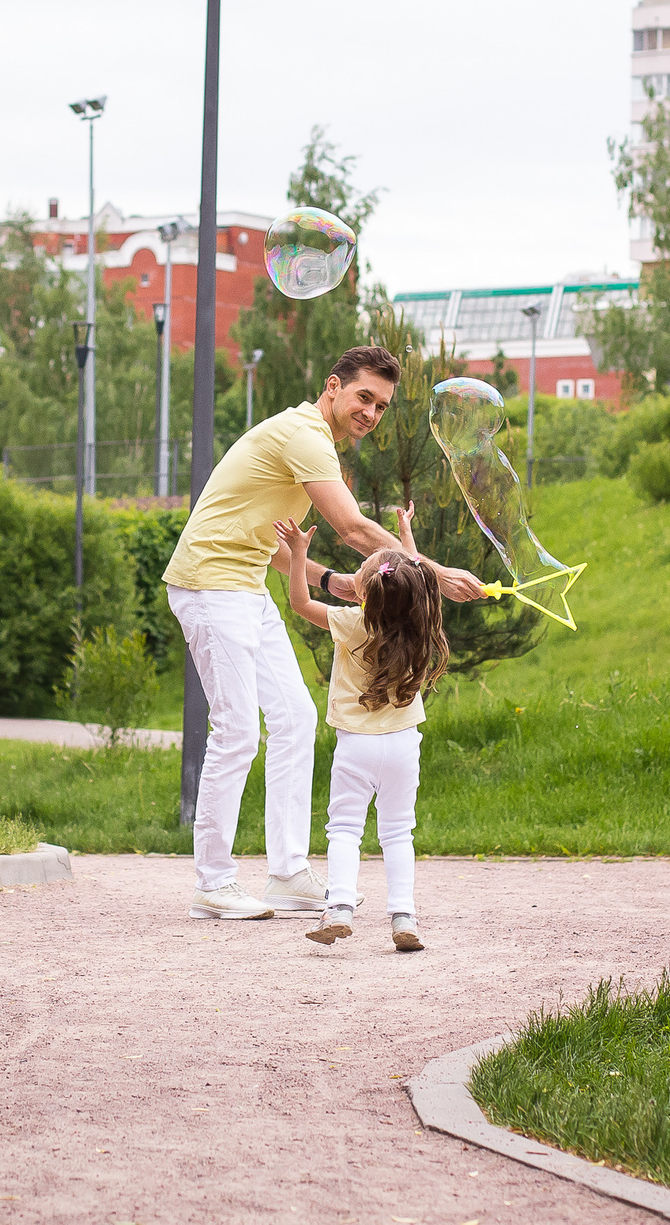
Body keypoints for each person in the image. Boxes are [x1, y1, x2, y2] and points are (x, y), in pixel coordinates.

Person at [160, 344, 481, 920]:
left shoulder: (310, 439)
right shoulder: (304, 434)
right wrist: (432, 572)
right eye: (364, 398)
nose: (371, 414)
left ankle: (286, 874)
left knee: (295, 718)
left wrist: (328, 579)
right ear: (333, 387)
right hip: (210, 585)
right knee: (237, 731)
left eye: (381, 406)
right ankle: (213, 884)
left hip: (245, 582)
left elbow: (269, 539)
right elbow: (352, 526)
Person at [273, 513, 447, 951]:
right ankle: (404, 915)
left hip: (356, 746)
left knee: (346, 829)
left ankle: (340, 907)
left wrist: (299, 556)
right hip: (404, 744)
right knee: (398, 832)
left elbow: (299, 603)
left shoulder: (352, 624)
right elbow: (416, 574)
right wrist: (407, 536)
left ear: (365, 595)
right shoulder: (419, 624)